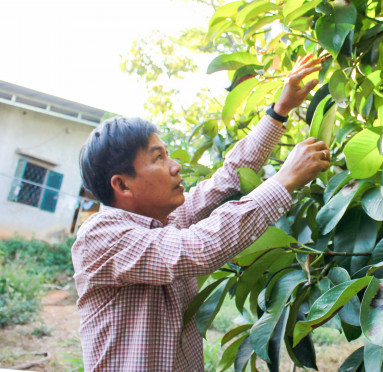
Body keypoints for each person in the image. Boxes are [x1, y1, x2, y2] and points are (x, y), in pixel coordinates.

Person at [71, 54, 331, 371]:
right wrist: (283, 180)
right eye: (158, 158)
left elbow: (228, 177)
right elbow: (198, 248)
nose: (175, 166)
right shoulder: (101, 236)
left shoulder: (162, 224)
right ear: (123, 186)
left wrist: (278, 112)